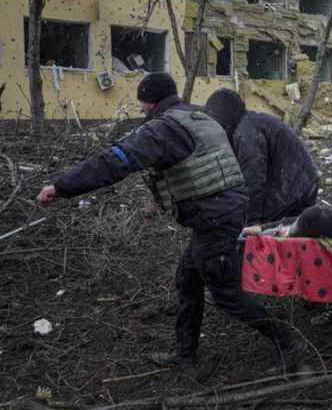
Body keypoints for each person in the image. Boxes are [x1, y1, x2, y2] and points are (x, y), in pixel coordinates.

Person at [36, 72, 305, 376]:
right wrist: (158, 201)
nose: (141, 111)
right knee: (188, 279)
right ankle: (185, 356)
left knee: (226, 292)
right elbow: (193, 164)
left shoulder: (163, 129)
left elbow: (115, 161)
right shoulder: (196, 117)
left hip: (215, 218)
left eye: (142, 105)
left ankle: (289, 342)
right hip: (221, 213)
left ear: (151, 103)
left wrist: (62, 186)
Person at [204, 88, 320, 225]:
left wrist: (251, 223)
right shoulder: (250, 123)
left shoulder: (246, 133)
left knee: (265, 229)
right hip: (301, 182)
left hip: (294, 187)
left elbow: (253, 179)